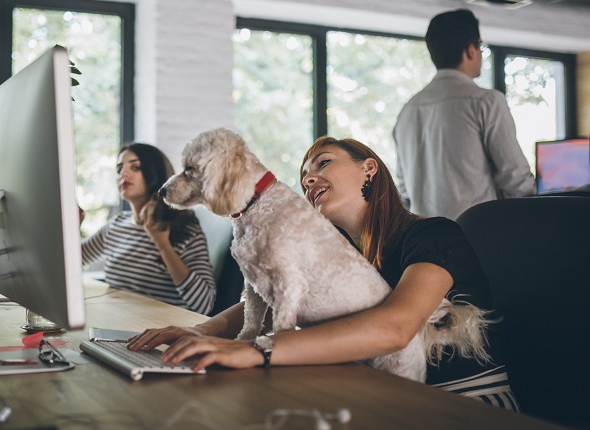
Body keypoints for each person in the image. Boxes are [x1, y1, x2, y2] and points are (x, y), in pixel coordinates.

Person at [127, 136, 520, 411]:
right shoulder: (339, 251)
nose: (308, 178)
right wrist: (203, 332)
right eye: (303, 175)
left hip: (462, 402)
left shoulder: (433, 235)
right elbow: (265, 294)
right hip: (377, 393)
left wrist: (257, 350)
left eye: (324, 162)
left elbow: (395, 329)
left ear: (369, 170)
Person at [393, 9, 535, 220]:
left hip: (423, 242)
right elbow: (515, 179)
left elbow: (404, 190)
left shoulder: (406, 111)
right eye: (481, 47)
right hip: (478, 240)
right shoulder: (485, 101)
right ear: (471, 49)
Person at [81, 143, 216, 315]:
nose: (123, 173)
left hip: (159, 330)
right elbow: (71, 261)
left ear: (155, 174)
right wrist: (73, 226)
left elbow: (204, 305)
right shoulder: (117, 225)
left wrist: (163, 245)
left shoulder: (185, 229)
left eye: (135, 167)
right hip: (116, 321)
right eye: (119, 169)